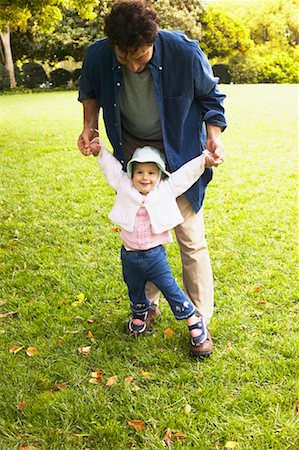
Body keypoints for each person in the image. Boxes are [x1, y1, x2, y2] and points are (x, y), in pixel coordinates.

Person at [77, 0, 227, 356]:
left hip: (177, 148)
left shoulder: (183, 51)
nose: (131, 65)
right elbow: (91, 92)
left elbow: (211, 98)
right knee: (144, 232)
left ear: (155, 39)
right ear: (111, 43)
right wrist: (88, 127)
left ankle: (199, 316)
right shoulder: (98, 55)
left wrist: (214, 136)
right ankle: (148, 305)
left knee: (189, 237)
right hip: (133, 150)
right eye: (123, 57)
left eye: (140, 57)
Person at [89, 137, 218, 354]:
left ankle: (193, 319)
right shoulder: (124, 185)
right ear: (131, 174)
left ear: (159, 174)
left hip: (154, 257)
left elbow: (184, 176)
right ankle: (140, 313)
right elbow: (111, 168)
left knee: (170, 289)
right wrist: (99, 150)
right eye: (139, 172)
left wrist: (203, 161)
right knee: (134, 287)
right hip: (129, 255)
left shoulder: (165, 189)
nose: (145, 178)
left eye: (151, 172)